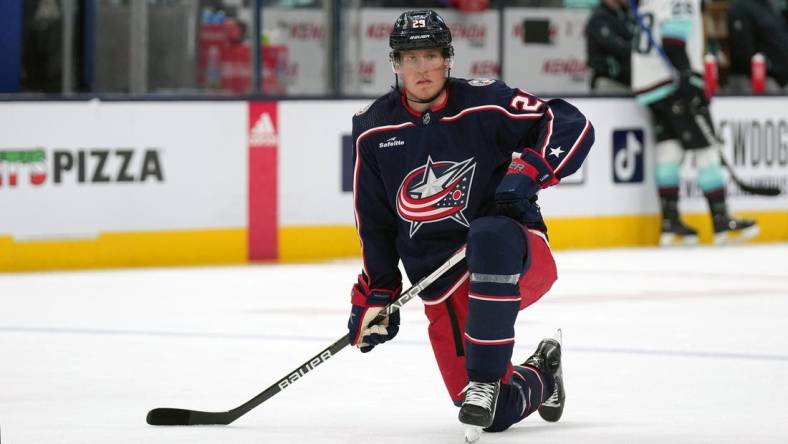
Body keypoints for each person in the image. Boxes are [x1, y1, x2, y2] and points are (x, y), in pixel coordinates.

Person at [346, 9, 594, 442]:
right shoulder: (373, 129)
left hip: (513, 256)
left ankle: (484, 376)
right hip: (440, 284)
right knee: (490, 415)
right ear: (395, 64)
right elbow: (376, 223)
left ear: (448, 59)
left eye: (430, 56)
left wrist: (530, 171)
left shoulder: (486, 103)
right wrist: (378, 294)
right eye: (410, 58)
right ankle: (543, 376)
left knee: (488, 232)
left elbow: (570, 122)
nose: (421, 68)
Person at [630, 0, 758, 246]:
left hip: (649, 85)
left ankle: (670, 223)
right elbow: (673, 43)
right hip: (673, 84)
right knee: (707, 150)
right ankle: (721, 221)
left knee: (669, 150)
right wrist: (689, 81)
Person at [726, 0, 788, 92]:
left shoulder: (770, 7)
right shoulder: (741, 7)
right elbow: (742, 53)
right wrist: (772, 68)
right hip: (759, 81)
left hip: (779, 81)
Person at [586, 0, 635, 94]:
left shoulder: (623, 14)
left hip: (627, 83)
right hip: (608, 83)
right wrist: (639, 50)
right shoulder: (599, 17)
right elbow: (618, 48)